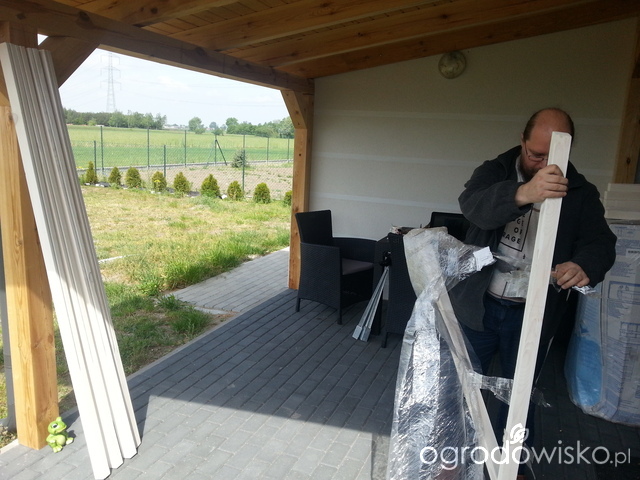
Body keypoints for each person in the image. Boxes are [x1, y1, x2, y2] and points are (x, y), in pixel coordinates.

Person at [449, 107, 617, 476]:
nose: (543, 164)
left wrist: (584, 264)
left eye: (553, 156)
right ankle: (450, 458)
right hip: (478, 304)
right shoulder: (494, 171)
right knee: (462, 386)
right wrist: (524, 192)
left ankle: (513, 466)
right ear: (522, 141)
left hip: (532, 313)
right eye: (535, 154)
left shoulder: (581, 192)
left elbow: (601, 243)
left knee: (521, 396)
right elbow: (473, 208)